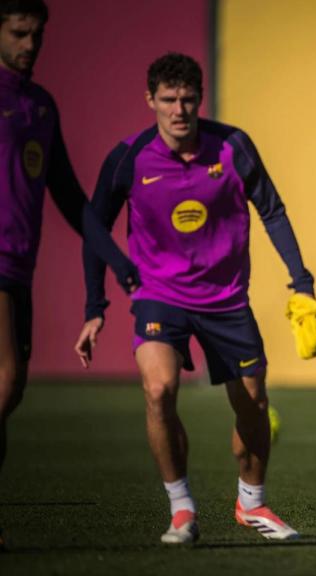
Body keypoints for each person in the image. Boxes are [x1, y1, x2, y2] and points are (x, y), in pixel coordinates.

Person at [74, 53, 316, 544]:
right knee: (159, 390)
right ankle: (181, 508)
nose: (179, 109)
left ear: (199, 99)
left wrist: (301, 279)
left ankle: (252, 503)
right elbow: (93, 227)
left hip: (227, 299)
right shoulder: (130, 157)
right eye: (168, 100)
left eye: (187, 99)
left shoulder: (233, 146)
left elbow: (272, 210)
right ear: (151, 101)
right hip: (159, 296)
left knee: (252, 401)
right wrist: (95, 306)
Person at [0, 0, 137, 547]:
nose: (29, 44)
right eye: (17, 33)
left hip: (18, 267)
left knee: (11, 395)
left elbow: (72, 199)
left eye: (36, 35)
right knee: (6, 379)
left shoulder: (40, 106)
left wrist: (117, 257)